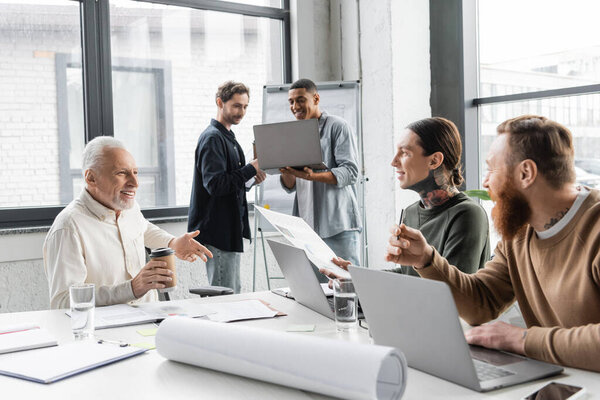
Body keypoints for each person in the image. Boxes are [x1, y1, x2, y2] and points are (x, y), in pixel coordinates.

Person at [384, 115, 600, 372]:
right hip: (561, 383)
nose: (485, 183)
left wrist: (521, 339)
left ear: (525, 173)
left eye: (491, 170)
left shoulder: (594, 228)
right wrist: (427, 260)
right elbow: (481, 302)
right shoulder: (519, 234)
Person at [44, 137, 213, 309]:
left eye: (135, 172)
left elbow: (143, 228)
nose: (135, 183)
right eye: (122, 173)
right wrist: (132, 289)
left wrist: (173, 243)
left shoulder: (127, 208)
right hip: (107, 332)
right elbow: (63, 302)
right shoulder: (68, 227)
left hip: (150, 322)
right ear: (91, 178)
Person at [187, 81, 265, 294]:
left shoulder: (227, 137)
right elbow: (215, 185)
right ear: (220, 102)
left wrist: (250, 179)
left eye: (245, 107)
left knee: (231, 293)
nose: (242, 112)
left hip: (228, 230)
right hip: (218, 232)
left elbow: (229, 181)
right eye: (236, 106)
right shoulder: (213, 138)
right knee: (225, 297)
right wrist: (250, 169)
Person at [389, 117, 489, 276]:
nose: (393, 162)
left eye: (405, 153)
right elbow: (408, 275)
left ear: (434, 160)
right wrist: (353, 277)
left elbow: (454, 290)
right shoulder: (410, 213)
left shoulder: (468, 215)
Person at [280, 78, 362, 266]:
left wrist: (311, 176)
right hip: (305, 227)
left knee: (346, 285)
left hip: (337, 226)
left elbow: (350, 172)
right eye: (291, 102)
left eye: (300, 99)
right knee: (315, 288)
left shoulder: (337, 126)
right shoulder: (291, 134)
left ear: (316, 98)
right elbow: (289, 186)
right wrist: (286, 168)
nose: (295, 106)